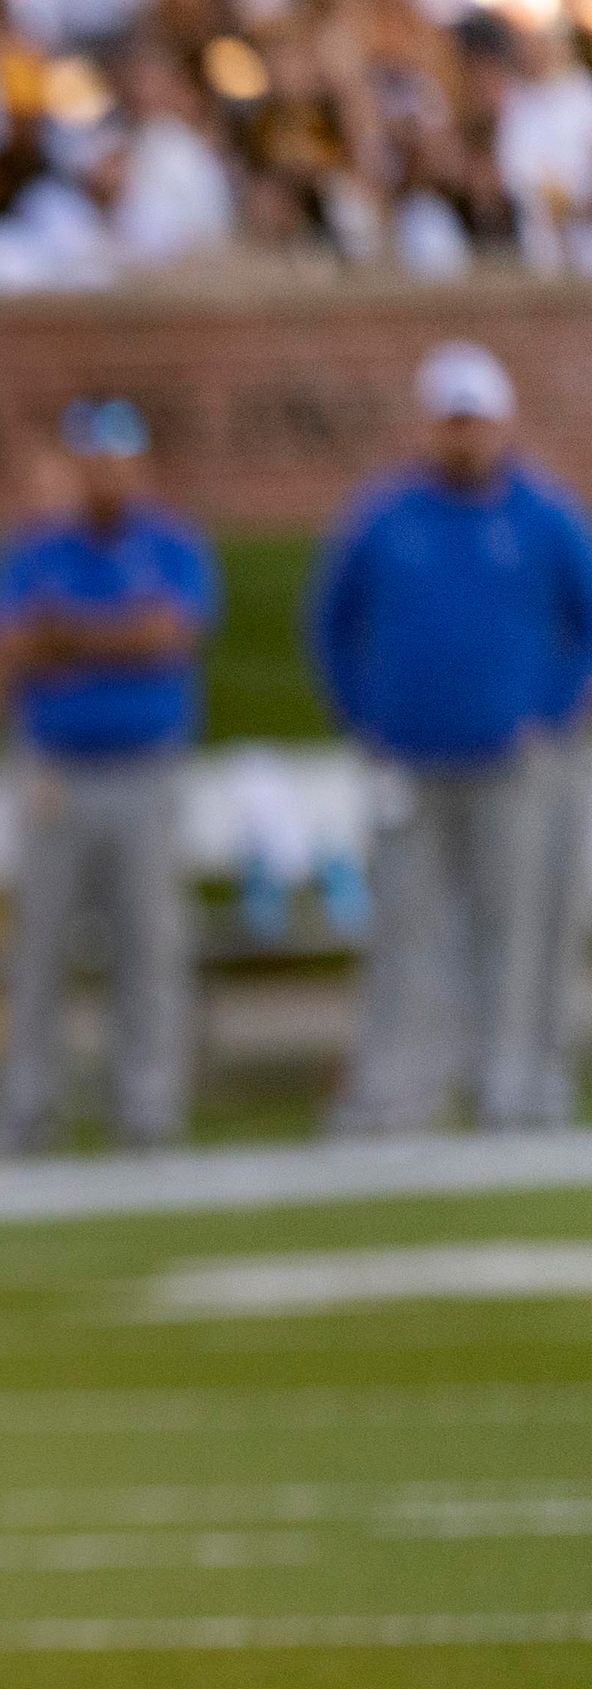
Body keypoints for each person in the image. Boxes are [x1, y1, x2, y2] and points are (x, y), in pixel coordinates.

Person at [310, 342, 592, 1134]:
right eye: (450, 421)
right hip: (411, 762)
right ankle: (398, 1093)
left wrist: (555, 706)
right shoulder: (386, 515)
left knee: (522, 929)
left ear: (500, 425)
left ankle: (518, 1087)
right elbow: (332, 622)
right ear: (429, 426)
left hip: (514, 762)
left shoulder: (542, 515)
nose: (463, 437)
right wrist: (363, 712)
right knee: (407, 930)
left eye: (475, 421)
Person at [0, 397, 216, 1154]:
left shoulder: (171, 544)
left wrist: (62, 634)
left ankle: (146, 1109)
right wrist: (112, 634)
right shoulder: (34, 548)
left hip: (144, 769)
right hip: (55, 772)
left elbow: (168, 635)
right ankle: (29, 1109)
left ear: (138, 467)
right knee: (38, 950)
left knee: (149, 947)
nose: (105, 475)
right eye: (91, 460)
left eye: (118, 459)